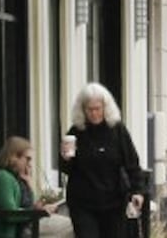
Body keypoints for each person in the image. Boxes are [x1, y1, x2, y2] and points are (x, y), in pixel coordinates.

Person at [59, 82, 145, 238]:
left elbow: (132, 163)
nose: (93, 113)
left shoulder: (117, 130)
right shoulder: (76, 133)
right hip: (83, 202)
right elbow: (66, 169)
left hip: (114, 202)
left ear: (105, 108)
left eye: (97, 109)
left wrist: (137, 191)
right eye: (89, 109)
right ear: (82, 109)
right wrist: (65, 158)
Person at [0, 136, 74, 238]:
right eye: (27, 159)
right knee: (76, 226)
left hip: (30, 223)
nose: (29, 164)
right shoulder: (2, 178)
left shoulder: (16, 178)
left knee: (77, 224)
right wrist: (38, 212)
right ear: (13, 157)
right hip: (23, 228)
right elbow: (10, 213)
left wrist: (29, 185)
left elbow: (26, 206)